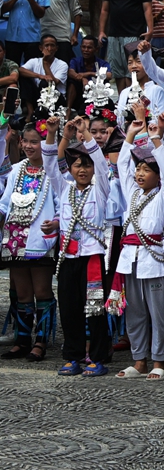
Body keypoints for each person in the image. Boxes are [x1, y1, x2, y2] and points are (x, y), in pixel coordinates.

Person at [112, 109, 164, 381]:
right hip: (130, 258)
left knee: (158, 312)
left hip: (153, 259)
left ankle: (159, 360)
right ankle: (139, 359)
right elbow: (122, 168)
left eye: (146, 170)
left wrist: (156, 139)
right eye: (139, 168)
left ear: (157, 175)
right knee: (135, 311)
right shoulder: (133, 194)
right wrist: (130, 134)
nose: (139, 174)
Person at [46, 116, 111, 377]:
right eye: (76, 165)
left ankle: (97, 357)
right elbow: (51, 166)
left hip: (93, 258)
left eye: (86, 166)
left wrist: (86, 135)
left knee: (95, 310)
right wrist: (53, 135)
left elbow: (103, 167)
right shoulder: (65, 188)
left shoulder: (100, 189)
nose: (82, 170)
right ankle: (72, 357)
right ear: (70, 169)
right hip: (68, 257)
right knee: (70, 308)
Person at [0, 120, 58, 362]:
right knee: (22, 292)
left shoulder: (52, 170)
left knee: (42, 290)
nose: (29, 146)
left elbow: (59, 201)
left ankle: (41, 341)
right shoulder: (16, 170)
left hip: (39, 237)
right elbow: (5, 202)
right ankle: (22, 339)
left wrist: (56, 222)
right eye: (26, 141)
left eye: (35, 142)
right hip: (15, 237)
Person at [99, 0, 154, 91]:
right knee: (117, 69)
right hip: (114, 34)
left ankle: (132, 97)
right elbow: (104, 10)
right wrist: (101, 31)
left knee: (132, 67)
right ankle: (121, 98)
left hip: (133, 33)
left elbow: (147, 9)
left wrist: (150, 30)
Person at [19, 34, 69, 118]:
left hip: (55, 98)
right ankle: (30, 111)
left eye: (52, 45)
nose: (49, 49)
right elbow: (20, 70)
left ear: (56, 48)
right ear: (41, 48)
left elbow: (54, 83)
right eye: (46, 46)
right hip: (38, 97)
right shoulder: (34, 61)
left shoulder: (62, 64)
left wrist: (45, 62)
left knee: (45, 83)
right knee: (24, 77)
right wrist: (39, 76)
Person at [67, 36, 110, 111]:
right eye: (83, 47)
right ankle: (68, 109)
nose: (86, 50)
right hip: (79, 93)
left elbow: (109, 75)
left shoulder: (102, 63)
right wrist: (82, 79)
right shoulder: (75, 60)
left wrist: (88, 74)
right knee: (72, 82)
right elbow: (71, 72)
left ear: (96, 49)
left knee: (104, 81)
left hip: (96, 93)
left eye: (89, 48)